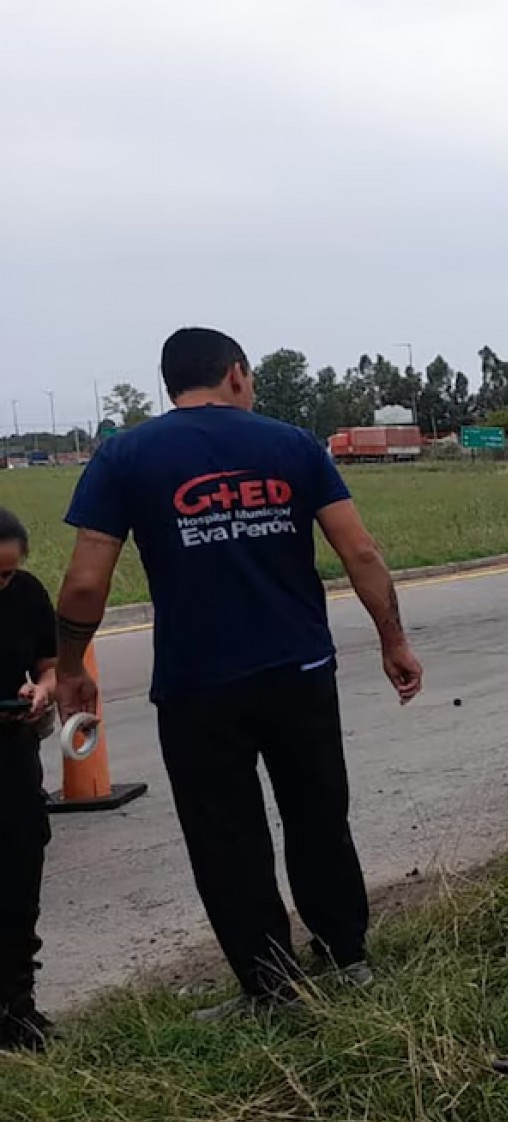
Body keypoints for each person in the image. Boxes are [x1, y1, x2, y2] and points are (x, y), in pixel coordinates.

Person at [53, 327, 424, 1021]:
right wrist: (393, 640)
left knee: (227, 838)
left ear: (170, 384)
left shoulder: (124, 456)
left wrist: (71, 666)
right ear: (235, 374)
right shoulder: (291, 445)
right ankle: (350, 961)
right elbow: (361, 552)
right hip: (300, 670)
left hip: (199, 685)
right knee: (318, 815)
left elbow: (81, 586)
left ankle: (270, 989)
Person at [0, 509, 57, 1050]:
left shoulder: (28, 594)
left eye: (7, 574)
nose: (1, 584)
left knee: (18, 880)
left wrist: (43, 690)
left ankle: (18, 1010)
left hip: (12, 752)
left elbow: (50, 665)